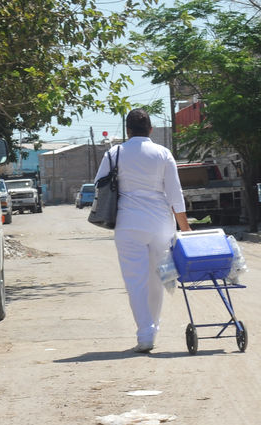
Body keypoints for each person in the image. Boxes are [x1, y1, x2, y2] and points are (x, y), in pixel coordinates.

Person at [93, 108, 191, 353]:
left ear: (127, 131)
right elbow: (175, 194)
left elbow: (99, 184)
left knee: (135, 281)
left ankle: (145, 333)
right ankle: (152, 329)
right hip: (161, 224)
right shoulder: (163, 153)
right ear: (150, 129)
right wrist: (186, 228)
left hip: (128, 223)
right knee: (157, 279)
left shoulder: (114, 153)